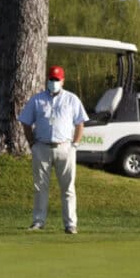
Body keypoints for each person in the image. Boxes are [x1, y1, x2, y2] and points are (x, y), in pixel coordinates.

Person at [17, 65, 88, 234]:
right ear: (47, 80)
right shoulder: (37, 99)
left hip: (65, 147)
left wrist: (75, 145)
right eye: (51, 79)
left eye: (57, 79)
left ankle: (70, 224)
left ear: (63, 81)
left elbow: (80, 124)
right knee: (40, 187)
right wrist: (32, 144)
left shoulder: (72, 99)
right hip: (41, 147)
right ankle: (38, 221)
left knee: (68, 188)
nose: (54, 82)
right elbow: (26, 122)